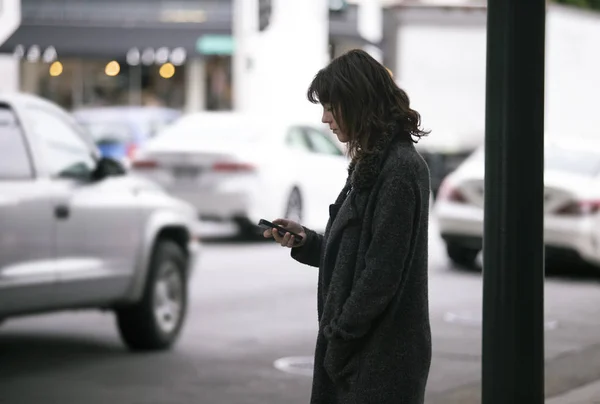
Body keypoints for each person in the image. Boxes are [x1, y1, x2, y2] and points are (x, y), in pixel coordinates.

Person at [263, 49, 432, 404]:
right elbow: (357, 254)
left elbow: (381, 273)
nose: (325, 119)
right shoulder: (373, 164)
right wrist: (305, 241)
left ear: (358, 103)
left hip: (380, 358)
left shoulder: (398, 169)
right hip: (363, 354)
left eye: (330, 106)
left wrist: (339, 337)